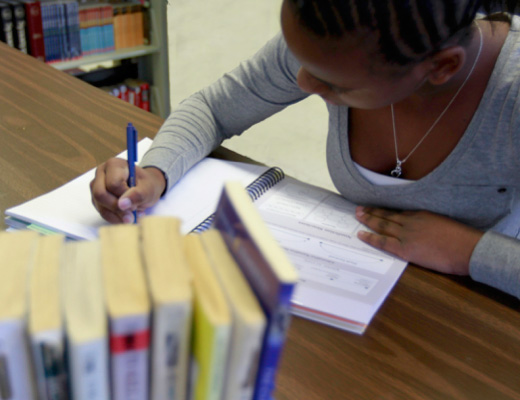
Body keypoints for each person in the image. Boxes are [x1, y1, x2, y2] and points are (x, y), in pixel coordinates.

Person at [91, 0, 520, 299]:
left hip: (477, 312)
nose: (302, 85)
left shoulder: (512, 93)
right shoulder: (329, 34)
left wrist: (469, 251)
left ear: (441, 67)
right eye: (303, 63)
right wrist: (156, 171)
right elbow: (214, 109)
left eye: (336, 85)